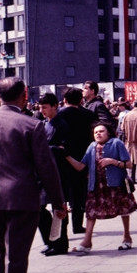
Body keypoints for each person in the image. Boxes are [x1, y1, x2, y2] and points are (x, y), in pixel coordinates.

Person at [0, 78, 68, 273]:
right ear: (24, 95)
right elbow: (46, 168)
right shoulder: (32, 125)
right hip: (21, 195)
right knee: (16, 254)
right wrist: (58, 201)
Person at [64, 122, 136, 253]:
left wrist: (112, 162)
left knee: (123, 210)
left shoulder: (116, 143)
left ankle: (127, 237)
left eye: (101, 131)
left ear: (108, 132)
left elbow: (129, 164)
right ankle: (87, 242)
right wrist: (66, 156)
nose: (98, 133)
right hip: (96, 186)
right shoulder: (92, 146)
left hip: (115, 184)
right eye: (95, 132)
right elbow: (81, 166)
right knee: (91, 213)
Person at [52, 86, 97, 234]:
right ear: (81, 100)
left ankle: (60, 230)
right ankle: (77, 225)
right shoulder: (89, 115)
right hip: (82, 158)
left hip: (61, 157)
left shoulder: (58, 115)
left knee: (61, 194)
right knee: (79, 193)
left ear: (64, 100)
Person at [36, 93, 70, 256]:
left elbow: (64, 149)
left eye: (45, 107)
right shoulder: (42, 124)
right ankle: (50, 241)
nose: (42, 110)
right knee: (39, 208)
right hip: (42, 172)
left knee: (59, 208)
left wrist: (47, 149)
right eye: (40, 107)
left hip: (59, 172)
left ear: (55, 106)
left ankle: (60, 244)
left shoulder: (62, 125)